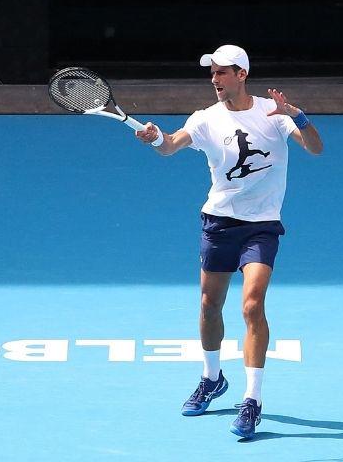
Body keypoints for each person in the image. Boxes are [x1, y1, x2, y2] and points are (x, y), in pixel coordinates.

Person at [135, 44, 323, 439]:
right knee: (209, 304)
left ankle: (252, 400)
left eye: (222, 73)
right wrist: (155, 138)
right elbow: (170, 146)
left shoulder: (272, 115)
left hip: (262, 225)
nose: (215, 80)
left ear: (242, 75)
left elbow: (316, 148)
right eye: (212, 74)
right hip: (219, 221)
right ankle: (212, 377)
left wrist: (297, 116)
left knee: (253, 305)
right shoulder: (205, 119)